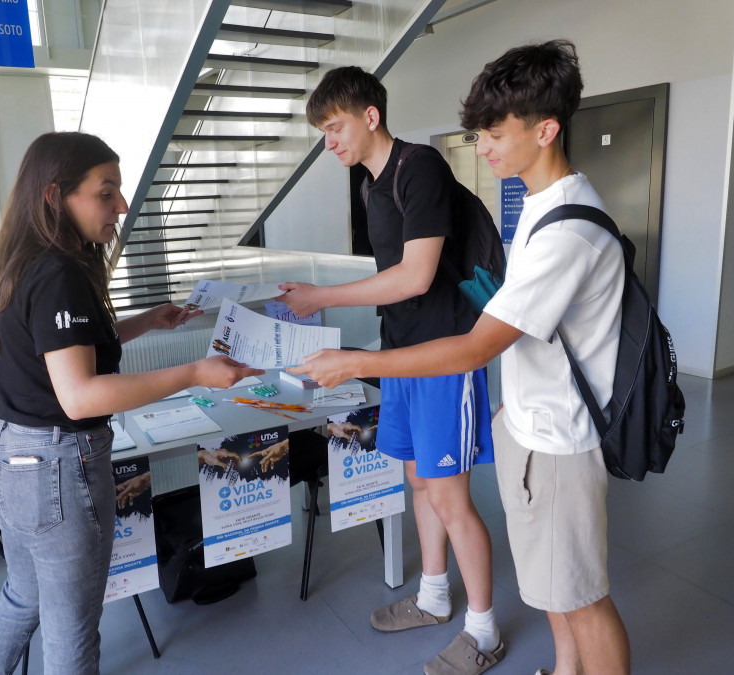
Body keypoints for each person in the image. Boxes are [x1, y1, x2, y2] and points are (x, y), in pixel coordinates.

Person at [289, 40, 631, 675]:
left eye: (493, 134)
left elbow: (455, 318)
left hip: (519, 410)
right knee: (544, 580)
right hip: (517, 411)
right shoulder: (534, 209)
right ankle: (521, 645)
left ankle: (481, 631)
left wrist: (351, 355)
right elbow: (524, 325)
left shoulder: (564, 225)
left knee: (578, 595)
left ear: (545, 129)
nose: (483, 149)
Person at [0, 131, 262, 675]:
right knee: (71, 634)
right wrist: (196, 372)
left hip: (7, 455)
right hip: (54, 472)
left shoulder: (20, 258)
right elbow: (80, 395)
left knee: (21, 600)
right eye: (106, 193)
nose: (122, 206)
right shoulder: (58, 272)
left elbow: (59, 354)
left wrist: (147, 320)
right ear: (57, 196)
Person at [277, 66, 503, 675]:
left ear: (370, 116)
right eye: (322, 131)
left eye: (335, 127)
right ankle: (433, 597)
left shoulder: (419, 166)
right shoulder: (371, 185)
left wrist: (322, 298)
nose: (330, 142)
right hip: (398, 353)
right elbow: (393, 281)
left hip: (444, 355)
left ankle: (482, 632)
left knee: (451, 497)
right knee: (418, 483)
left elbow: (417, 275)